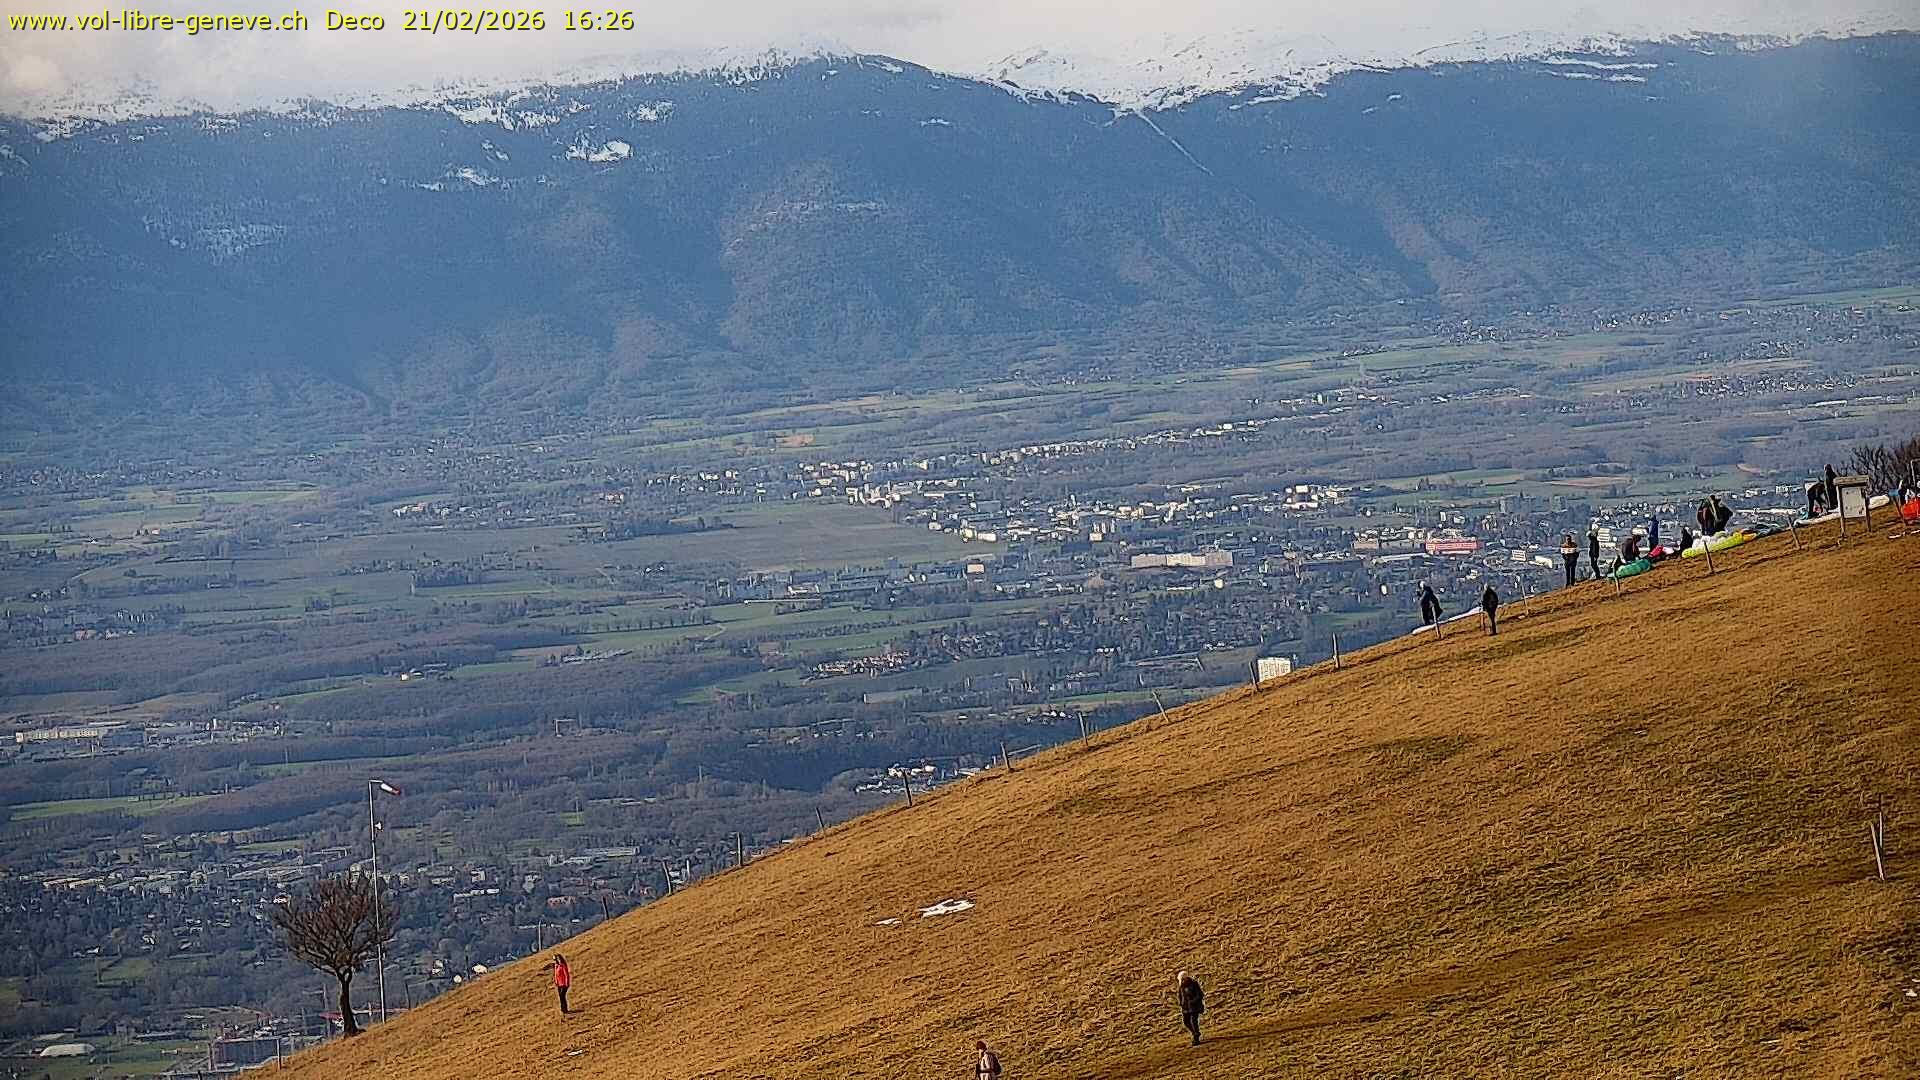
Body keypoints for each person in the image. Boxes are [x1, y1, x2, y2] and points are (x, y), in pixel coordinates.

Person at [1176, 970, 1205, 1045]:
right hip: (1185, 1008)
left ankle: (1196, 1038)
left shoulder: (1193, 984)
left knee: (1193, 1021)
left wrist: (1193, 1001)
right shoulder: (1181, 986)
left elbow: (1200, 995)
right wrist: (1181, 1003)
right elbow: (1180, 995)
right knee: (1186, 1021)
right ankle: (1195, 1033)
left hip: (1194, 1008)